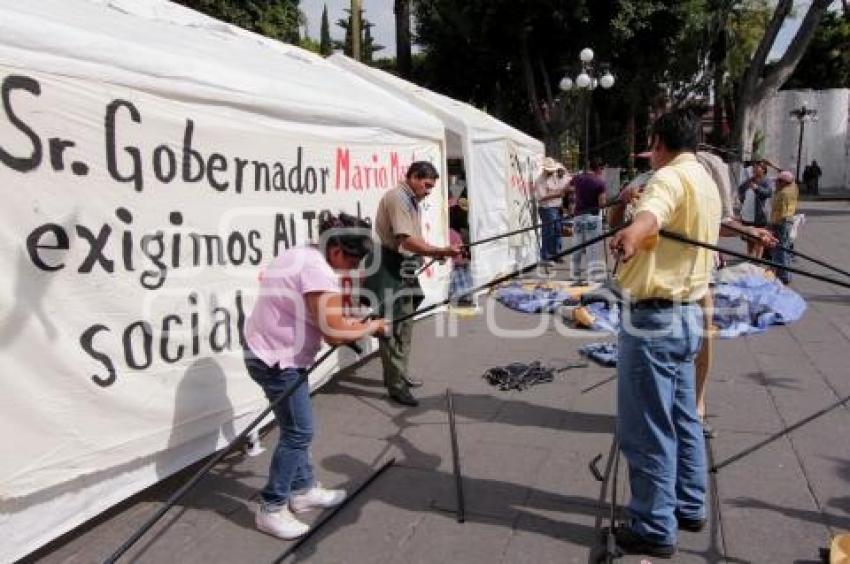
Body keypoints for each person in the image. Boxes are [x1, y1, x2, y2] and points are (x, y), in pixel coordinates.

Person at [608, 109, 721, 558]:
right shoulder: (705, 180)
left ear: (659, 143)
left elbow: (652, 215)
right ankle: (689, 506)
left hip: (655, 322)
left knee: (647, 428)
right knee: (683, 417)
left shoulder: (669, 178)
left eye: (650, 147)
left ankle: (654, 525)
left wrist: (631, 233)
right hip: (688, 317)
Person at [244, 212, 389, 540]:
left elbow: (323, 316)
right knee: (299, 432)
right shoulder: (318, 270)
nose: (353, 268)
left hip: (268, 352)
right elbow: (335, 334)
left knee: (295, 425)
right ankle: (271, 507)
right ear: (337, 248)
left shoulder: (303, 253)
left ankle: (303, 489)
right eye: (353, 260)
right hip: (276, 360)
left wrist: (353, 321)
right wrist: (373, 326)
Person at [364, 161, 461, 407]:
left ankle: (399, 374)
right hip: (387, 268)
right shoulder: (398, 198)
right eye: (427, 185)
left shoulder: (410, 199)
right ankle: (395, 386)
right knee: (390, 328)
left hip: (402, 267)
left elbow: (413, 240)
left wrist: (434, 253)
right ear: (415, 177)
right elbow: (405, 241)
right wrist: (440, 250)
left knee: (405, 325)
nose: (428, 191)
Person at [568, 157, 607, 282]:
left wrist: (576, 198)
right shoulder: (600, 182)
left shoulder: (578, 178)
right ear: (600, 169)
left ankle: (575, 275)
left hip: (578, 215)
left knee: (577, 246)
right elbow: (602, 203)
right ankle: (592, 276)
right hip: (593, 217)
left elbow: (568, 188)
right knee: (592, 248)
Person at [534, 157, 568, 263]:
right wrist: (557, 194)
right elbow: (541, 197)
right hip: (547, 208)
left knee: (557, 230)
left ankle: (556, 253)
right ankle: (546, 255)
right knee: (549, 231)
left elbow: (563, 171)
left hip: (557, 207)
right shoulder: (540, 180)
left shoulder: (555, 174)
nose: (552, 171)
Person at [769, 170, 799, 284]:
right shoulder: (794, 188)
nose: (776, 183)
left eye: (778, 181)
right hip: (787, 221)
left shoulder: (783, 193)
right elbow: (793, 181)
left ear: (783, 182)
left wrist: (771, 224)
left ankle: (783, 276)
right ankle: (786, 274)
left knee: (780, 250)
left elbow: (780, 212)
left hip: (781, 223)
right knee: (785, 249)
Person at [737, 161, 772, 257]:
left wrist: (757, 188)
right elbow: (740, 190)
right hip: (748, 214)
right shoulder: (750, 180)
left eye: (757, 167)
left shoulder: (766, 181)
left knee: (760, 237)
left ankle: (758, 258)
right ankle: (750, 257)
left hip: (759, 215)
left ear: (763, 170)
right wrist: (743, 194)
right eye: (754, 167)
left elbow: (768, 193)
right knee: (749, 237)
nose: (754, 169)